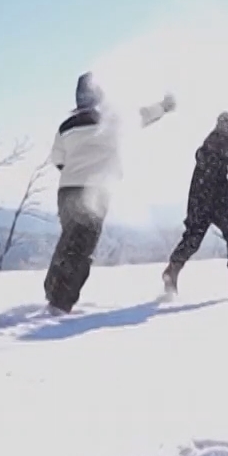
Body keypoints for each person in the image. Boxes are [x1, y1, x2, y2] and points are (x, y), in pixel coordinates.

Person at [42, 72, 176, 314]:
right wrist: (165, 106)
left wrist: (74, 171)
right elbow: (142, 116)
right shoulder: (112, 119)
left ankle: (53, 291)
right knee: (82, 248)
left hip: (67, 190)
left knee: (68, 242)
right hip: (95, 191)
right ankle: (60, 304)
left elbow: (57, 159)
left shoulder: (66, 126)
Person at [162, 112, 228, 296]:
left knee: (193, 238)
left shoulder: (212, 141)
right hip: (214, 198)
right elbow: (220, 167)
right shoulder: (220, 141)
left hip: (199, 198)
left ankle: (173, 269)